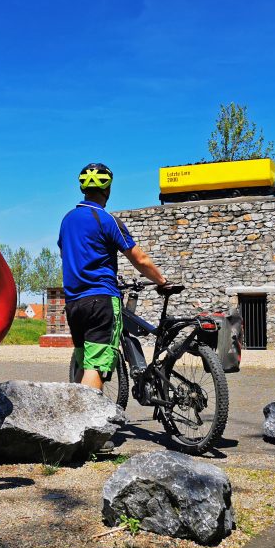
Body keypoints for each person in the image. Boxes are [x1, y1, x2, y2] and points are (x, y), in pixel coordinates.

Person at [58, 162, 169, 391]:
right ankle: (91, 425)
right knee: (96, 367)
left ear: (83, 189)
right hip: (101, 300)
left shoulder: (67, 220)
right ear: (107, 189)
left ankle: (74, 421)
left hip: (73, 303)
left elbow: (68, 253)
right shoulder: (106, 219)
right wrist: (162, 281)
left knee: (84, 362)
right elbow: (139, 259)